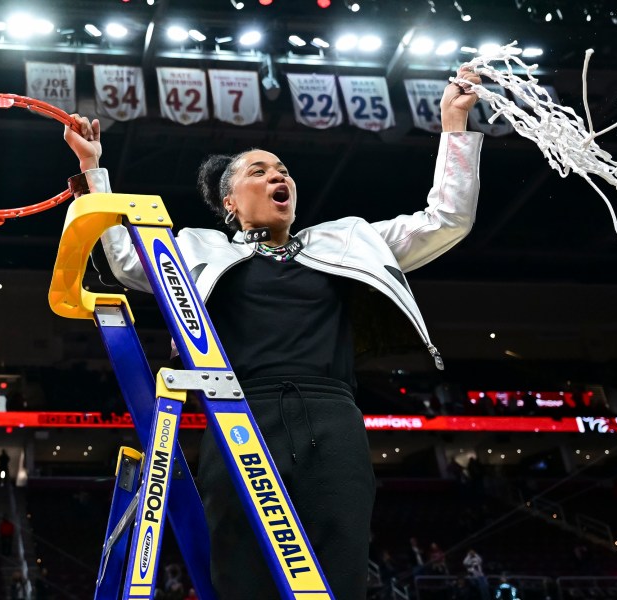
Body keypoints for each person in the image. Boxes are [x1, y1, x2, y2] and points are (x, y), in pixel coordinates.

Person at [64, 67, 483, 600]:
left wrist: (454, 122)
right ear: (230, 203)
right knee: (242, 568)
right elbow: (124, 260)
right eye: (258, 171)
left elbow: (446, 218)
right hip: (238, 412)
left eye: (282, 169)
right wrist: (92, 169)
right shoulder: (197, 248)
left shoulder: (348, 240)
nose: (276, 175)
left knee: (340, 565)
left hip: (332, 418)